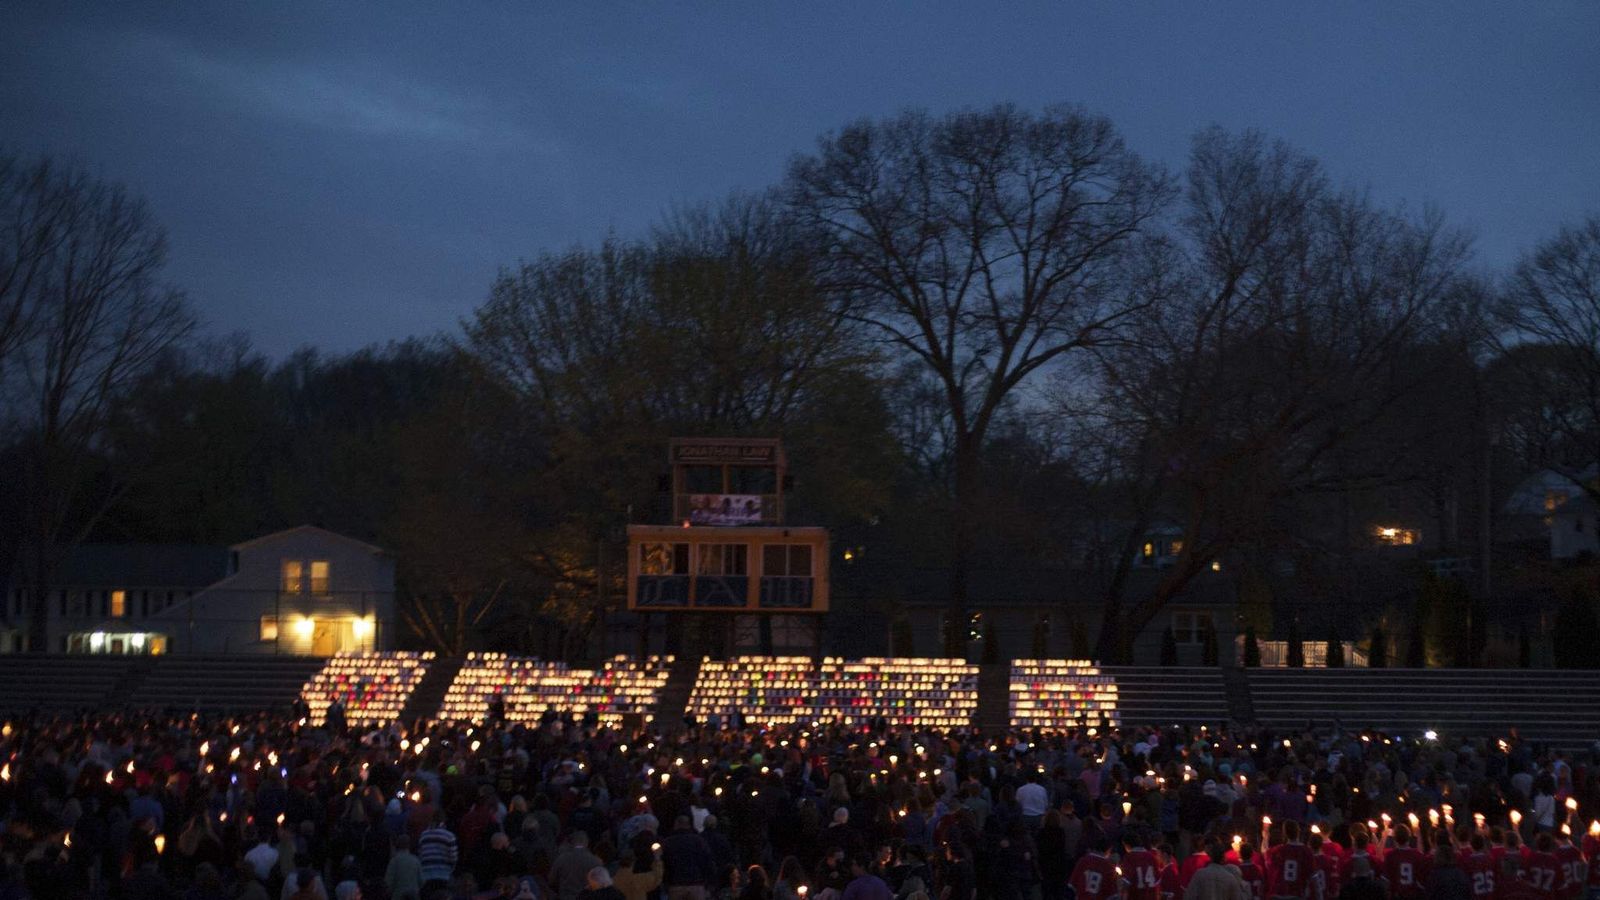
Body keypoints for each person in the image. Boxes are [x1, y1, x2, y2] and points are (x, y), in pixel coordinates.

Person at [663, 815, 716, 900]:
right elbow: (708, 861)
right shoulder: (699, 841)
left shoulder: (668, 842)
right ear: (689, 825)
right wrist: (709, 881)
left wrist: (665, 882)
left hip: (675, 884)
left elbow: (664, 863)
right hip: (696, 883)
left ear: (676, 825)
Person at [551, 833, 604, 900]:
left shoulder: (562, 858)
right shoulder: (596, 862)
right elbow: (601, 885)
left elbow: (552, 880)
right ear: (587, 843)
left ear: (572, 842)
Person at [1385, 825, 1432, 900]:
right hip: (1413, 893)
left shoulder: (1390, 855)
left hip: (1397, 894)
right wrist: (1418, 835)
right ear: (1409, 837)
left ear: (1395, 839)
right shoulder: (1416, 854)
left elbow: (1388, 876)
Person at [386, 834, 424, 900]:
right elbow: (422, 882)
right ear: (409, 845)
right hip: (414, 896)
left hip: (398, 896)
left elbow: (388, 882)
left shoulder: (394, 861)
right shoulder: (416, 860)